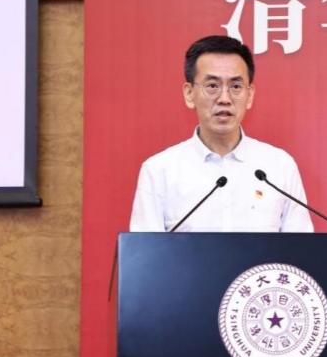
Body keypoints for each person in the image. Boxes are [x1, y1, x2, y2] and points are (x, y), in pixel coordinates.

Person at [129, 36, 312, 232]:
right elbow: (145, 250)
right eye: (212, 86)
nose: (224, 99)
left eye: (235, 87)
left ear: (250, 95)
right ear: (189, 94)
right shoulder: (159, 171)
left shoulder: (280, 166)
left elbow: (300, 248)